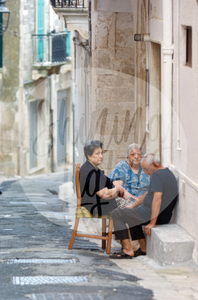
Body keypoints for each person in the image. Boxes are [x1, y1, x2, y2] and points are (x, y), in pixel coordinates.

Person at [110, 153, 178, 259]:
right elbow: (147, 194)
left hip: (151, 215)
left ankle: (127, 250)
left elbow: (157, 199)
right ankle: (143, 248)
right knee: (130, 214)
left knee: (116, 213)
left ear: (155, 164)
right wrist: (133, 206)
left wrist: (152, 223)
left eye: (146, 169)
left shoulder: (157, 175)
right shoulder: (167, 173)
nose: (145, 172)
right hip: (162, 216)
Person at [80, 140, 125, 217]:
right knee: (133, 210)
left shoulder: (92, 168)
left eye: (101, 153)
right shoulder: (90, 171)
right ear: (89, 156)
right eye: (97, 154)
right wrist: (118, 189)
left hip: (101, 204)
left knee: (135, 205)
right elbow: (105, 194)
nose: (101, 156)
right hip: (97, 206)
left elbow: (107, 182)